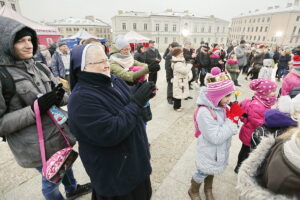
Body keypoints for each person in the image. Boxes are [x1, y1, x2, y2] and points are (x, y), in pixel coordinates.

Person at [0, 16, 91, 200]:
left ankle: (72, 189)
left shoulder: (40, 67)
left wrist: (80, 97)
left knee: (65, 163)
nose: (28, 45)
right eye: (20, 41)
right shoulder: (3, 77)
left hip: (58, 135)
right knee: (50, 183)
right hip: (35, 146)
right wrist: (35, 110)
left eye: (29, 40)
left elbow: (58, 97)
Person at [68, 44, 156, 200]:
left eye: (106, 59)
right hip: (116, 175)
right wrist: (137, 102)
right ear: (83, 68)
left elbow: (127, 100)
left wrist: (141, 91)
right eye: (99, 62)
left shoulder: (113, 79)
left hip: (135, 163)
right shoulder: (81, 99)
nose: (107, 65)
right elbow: (110, 132)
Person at [188, 67, 242, 200]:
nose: (229, 99)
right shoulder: (204, 112)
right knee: (202, 171)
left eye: (230, 95)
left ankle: (208, 189)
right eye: (227, 96)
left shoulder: (223, 106)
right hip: (209, 149)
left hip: (219, 150)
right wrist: (231, 120)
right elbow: (215, 137)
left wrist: (235, 119)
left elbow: (232, 127)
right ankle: (193, 190)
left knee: (211, 169)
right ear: (217, 96)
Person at [237, 95, 300, 200]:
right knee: (243, 153)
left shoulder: (280, 142)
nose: (273, 93)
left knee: (246, 154)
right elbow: (254, 119)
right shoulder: (284, 139)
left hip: (254, 141)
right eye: (270, 91)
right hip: (247, 135)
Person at [234, 78, 277, 173]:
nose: (274, 93)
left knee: (249, 152)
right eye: (272, 91)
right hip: (250, 134)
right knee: (245, 152)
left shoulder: (264, 101)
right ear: (264, 92)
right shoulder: (257, 105)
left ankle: (243, 167)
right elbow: (256, 121)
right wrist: (271, 121)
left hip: (254, 133)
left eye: (275, 91)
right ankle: (239, 167)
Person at [171, 47, 193, 112]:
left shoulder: (179, 61)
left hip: (181, 80)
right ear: (177, 54)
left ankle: (179, 106)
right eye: (181, 53)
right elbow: (185, 71)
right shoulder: (177, 63)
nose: (182, 54)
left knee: (180, 93)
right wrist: (189, 65)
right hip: (179, 80)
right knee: (178, 94)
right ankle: (176, 107)